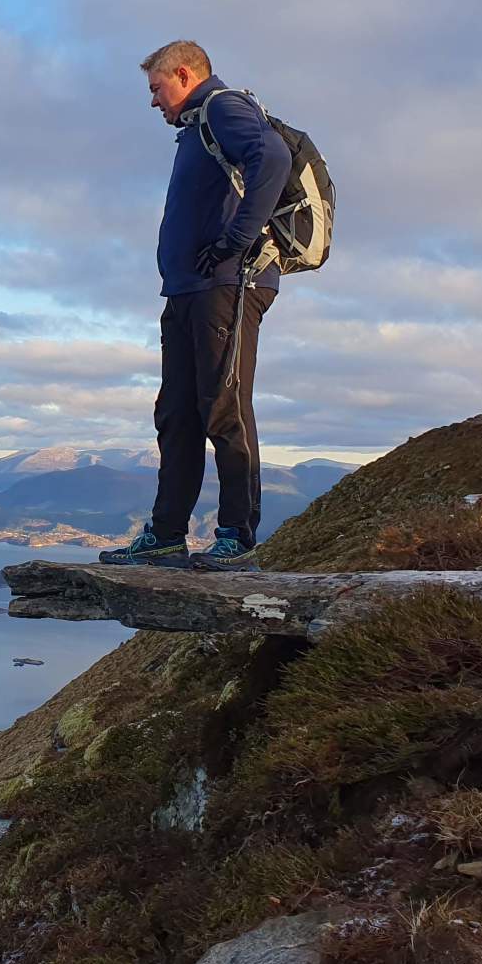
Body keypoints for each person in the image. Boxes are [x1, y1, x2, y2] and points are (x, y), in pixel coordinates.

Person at [101, 40, 287, 571]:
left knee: (223, 406)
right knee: (177, 413)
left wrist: (237, 240)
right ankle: (165, 535)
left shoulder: (224, 107)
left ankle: (237, 535)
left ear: (183, 75)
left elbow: (271, 157)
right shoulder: (198, 128)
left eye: (156, 89)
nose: (153, 102)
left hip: (228, 285)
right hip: (188, 289)